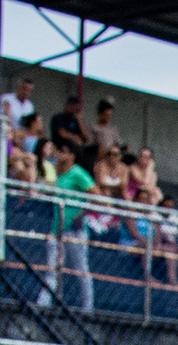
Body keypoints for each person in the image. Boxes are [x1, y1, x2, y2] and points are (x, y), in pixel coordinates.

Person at [38, 142, 95, 310]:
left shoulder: (78, 173)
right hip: (57, 229)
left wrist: (82, 214)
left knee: (81, 270)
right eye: (59, 151)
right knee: (52, 270)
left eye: (63, 151)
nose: (59, 154)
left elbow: (96, 195)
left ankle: (87, 308)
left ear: (71, 155)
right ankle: (43, 304)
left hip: (75, 231)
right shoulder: (59, 174)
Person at [88, 98, 119, 173]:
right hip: (99, 157)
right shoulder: (94, 128)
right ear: (100, 114)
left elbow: (117, 143)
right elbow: (90, 145)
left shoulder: (112, 128)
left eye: (110, 115)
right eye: (106, 115)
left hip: (112, 156)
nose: (108, 117)